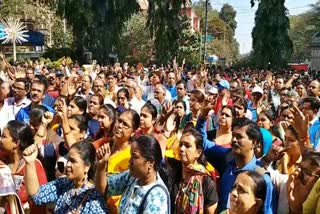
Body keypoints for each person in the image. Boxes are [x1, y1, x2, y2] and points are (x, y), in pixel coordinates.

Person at [23, 142, 108, 213]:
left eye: (73, 161)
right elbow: (36, 196)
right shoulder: (64, 184)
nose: (67, 165)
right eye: (68, 160)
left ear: (87, 167)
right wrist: (30, 163)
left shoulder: (93, 197)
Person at [96, 135, 170, 213]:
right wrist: (101, 167)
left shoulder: (156, 197)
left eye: (135, 157)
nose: (130, 162)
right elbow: (103, 189)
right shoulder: (133, 177)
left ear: (150, 163)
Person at [164, 128, 219, 213]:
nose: (182, 149)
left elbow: (211, 211)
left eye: (187, 146)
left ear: (198, 152)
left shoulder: (206, 181)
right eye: (181, 144)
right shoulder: (174, 172)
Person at [0, 121, 47, 213]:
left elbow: (40, 201)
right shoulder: (2, 160)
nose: (0, 140)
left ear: (16, 143)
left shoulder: (33, 165)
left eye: (3, 136)